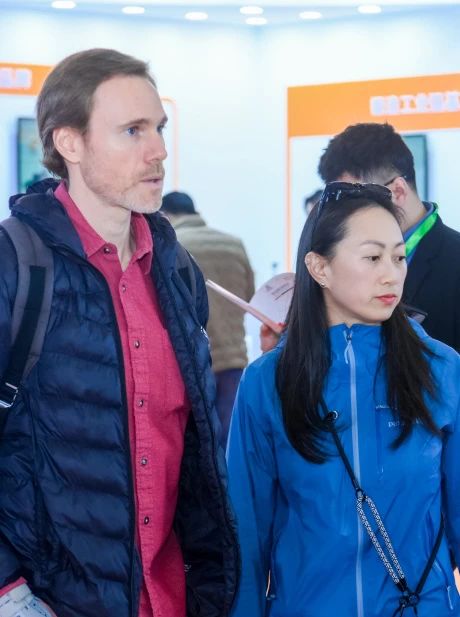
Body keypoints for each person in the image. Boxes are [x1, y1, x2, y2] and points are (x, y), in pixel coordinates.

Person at [0, 49, 239, 617]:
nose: (158, 151)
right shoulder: (15, 265)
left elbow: (193, 454)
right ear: (69, 142)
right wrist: (10, 591)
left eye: (159, 128)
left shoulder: (177, 272)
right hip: (52, 599)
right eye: (132, 131)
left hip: (174, 598)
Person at [227, 182, 460, 617]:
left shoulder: (441, 370)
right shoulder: (267, 382)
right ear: (319, 267)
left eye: (398, 257)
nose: (391, 275)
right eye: (372, 258)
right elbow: (246, 537)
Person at [318, 122, 460, 353]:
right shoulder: (340, 260)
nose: (345, 215)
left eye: (356, 200)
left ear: (398, 191)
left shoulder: (454, 261)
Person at [161, 191, 254, 448]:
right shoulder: (233, 244)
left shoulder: (174, 245)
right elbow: (249, 295)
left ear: (165, 215)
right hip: (234, 358)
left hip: (193, 359)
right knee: (230, 439)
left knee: (199, 444)